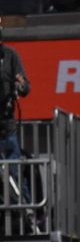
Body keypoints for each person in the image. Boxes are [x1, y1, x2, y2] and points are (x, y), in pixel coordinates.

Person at [0, 29, 30, 204]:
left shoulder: (10, 55)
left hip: (7, 124)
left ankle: (27, 208)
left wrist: (21, 86)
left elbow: (25, 87)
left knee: (14, 172)